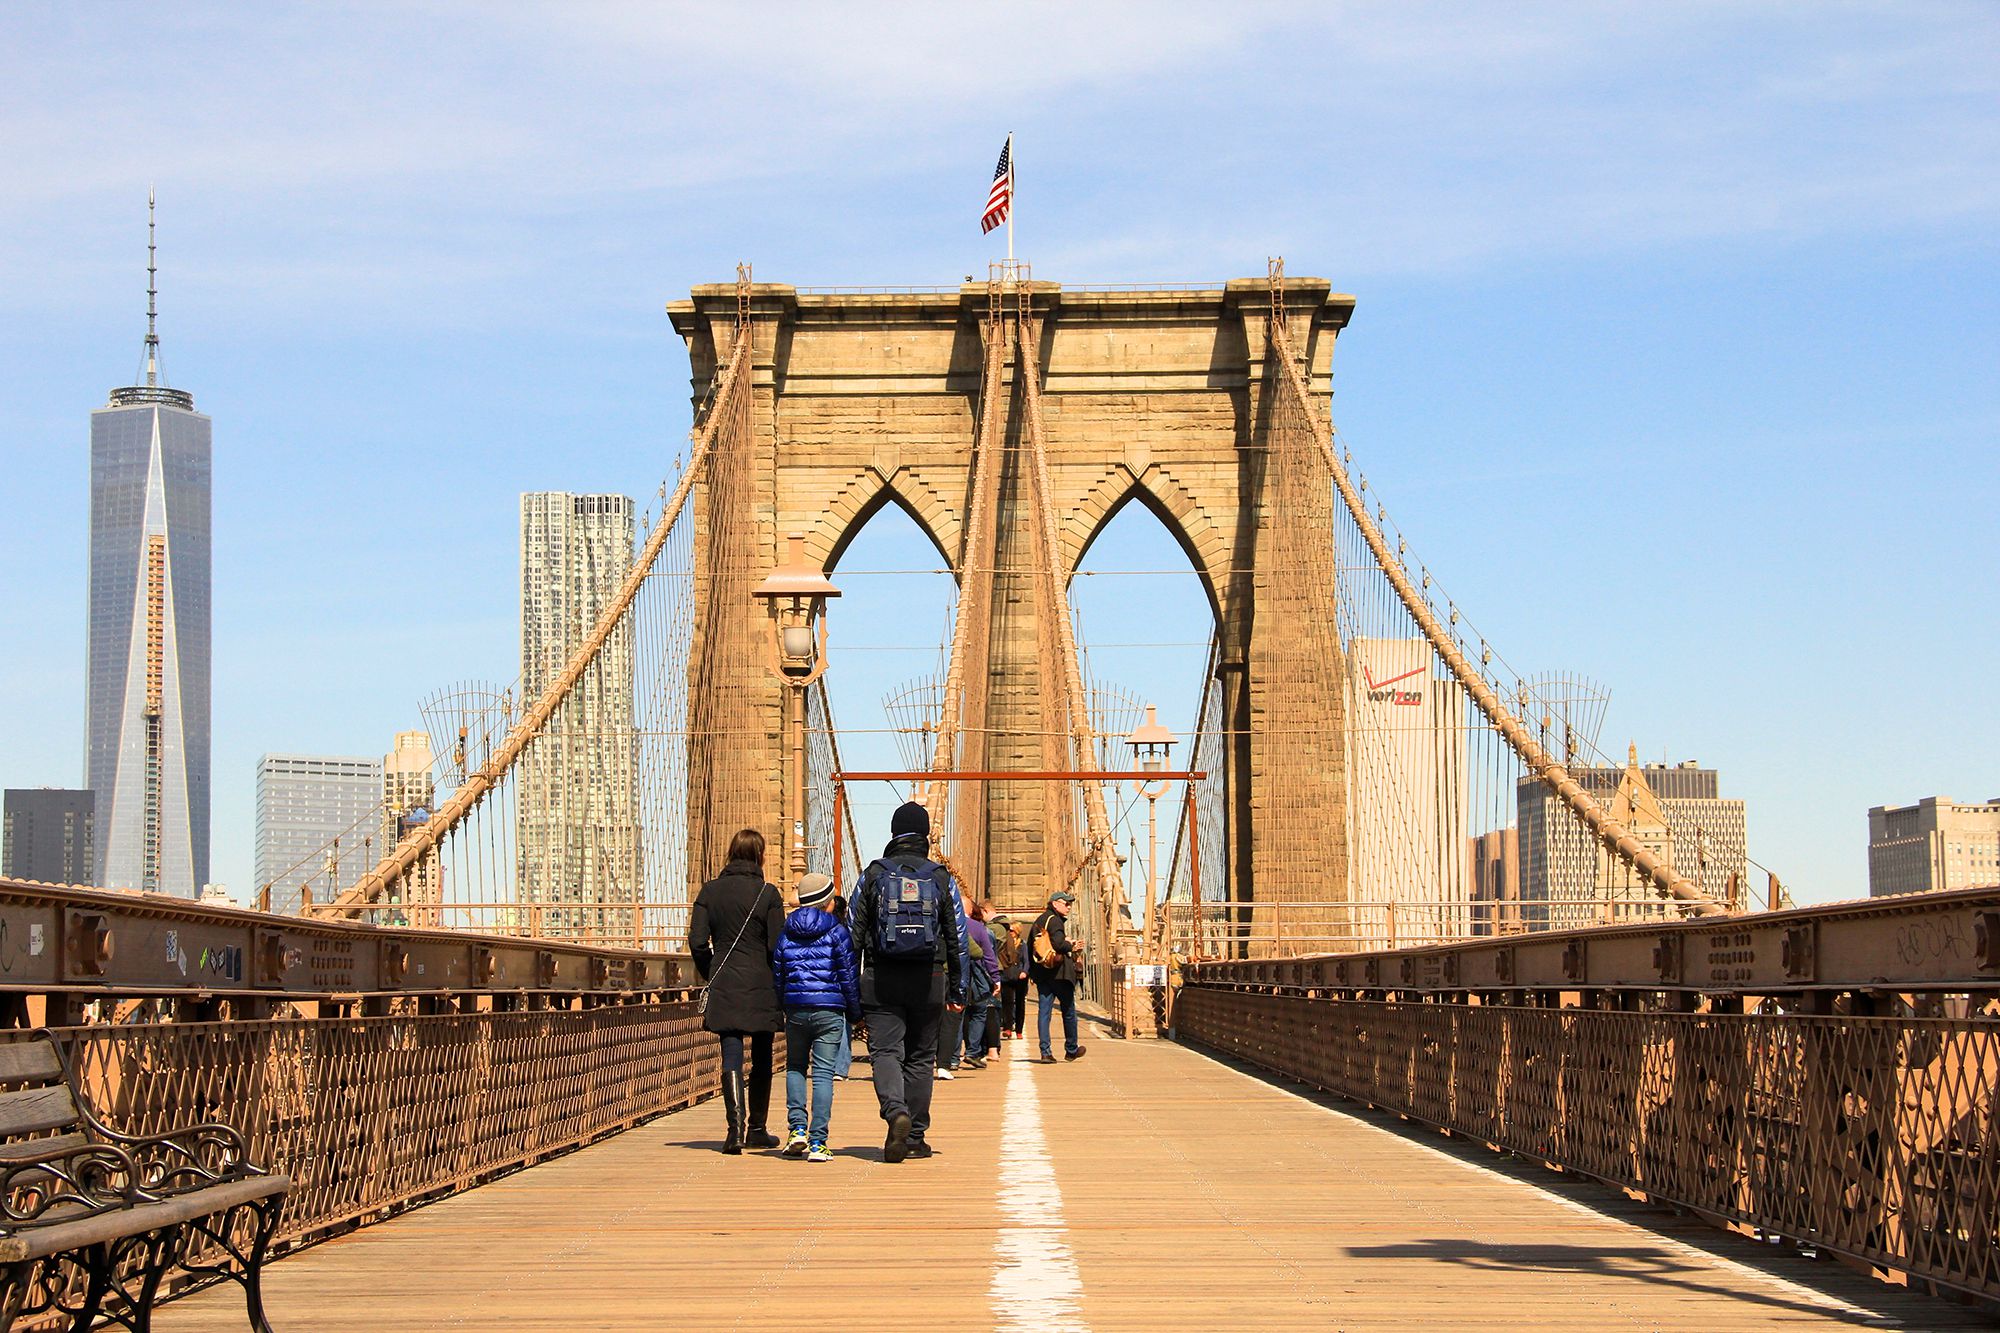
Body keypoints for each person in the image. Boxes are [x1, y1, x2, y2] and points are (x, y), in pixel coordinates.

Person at [851, 800, 965, 1162]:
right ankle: (914, 1136)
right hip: (929, 978)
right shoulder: (941, 877)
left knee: (885, 1052)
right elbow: (958, 935)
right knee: (920, 1057)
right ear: (926, 834)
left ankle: (895, 1111)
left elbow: (851, 935)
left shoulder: (873, 874)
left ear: (893, 834)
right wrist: (959, 987)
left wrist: (849, 989)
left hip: (880, 977)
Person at [689, 828, 787, 1153]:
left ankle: (734, 1131)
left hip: (725, 983)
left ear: (731, 853)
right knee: (761, 1057)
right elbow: (776, 946)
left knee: (730, 1053)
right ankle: (757, 1128)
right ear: (760, 856)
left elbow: (698, 942)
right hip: (761, 984)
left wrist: (712, 972)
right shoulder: (768, 894)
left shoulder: (709, 892)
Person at [770, 872, 862, 1163]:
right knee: (822, 1074)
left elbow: (779, 975)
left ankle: (796, 1129)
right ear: (828, 903)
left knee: (796, 1067)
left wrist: (784, 1005)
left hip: (796, 1009)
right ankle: (818, 1143)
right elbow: (848, 976)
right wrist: (856, 1012)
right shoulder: (838, 932)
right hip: (830, 1010)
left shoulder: (786, 932)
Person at [1026, 890, 1087, 1063]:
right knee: (1068, 1011)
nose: (1069, 906)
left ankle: (1045, 1052)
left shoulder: (1039, 921)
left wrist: (1033, 972)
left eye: (1069, 903)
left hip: (1043, 975)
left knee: (1044, 1013)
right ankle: (1071, 1049)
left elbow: (1031, 946)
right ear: (1054, 904)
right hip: (1059, 974)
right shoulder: (1055, 921)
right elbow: (1059, 944)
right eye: (1065, 903)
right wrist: (1071, 945)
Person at [958, 893, 1002, 1068]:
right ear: (970, 909)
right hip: (976, 976)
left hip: (952, 975)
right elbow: (988, 956)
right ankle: (972, 1051)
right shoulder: (978, 928)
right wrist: (995, 978)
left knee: (955, 1014)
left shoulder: (944, 925)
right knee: (979, 1010)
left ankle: (952, 1057)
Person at [994, 914, 1029, 1041]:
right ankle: (1008, 1028)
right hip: (1006, 976)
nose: (1010, 933)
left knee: (1020, 1003)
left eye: (1012, 930)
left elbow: (1026, 960)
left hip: (1019, 977)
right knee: (1007, 1002)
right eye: (1009, 930)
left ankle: (1019, 1029)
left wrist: (1024, 972)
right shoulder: (1003, 944)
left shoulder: (1022, 945)